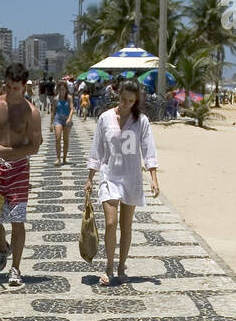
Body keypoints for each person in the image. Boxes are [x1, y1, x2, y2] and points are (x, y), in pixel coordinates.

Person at [86, 78, 159, 286]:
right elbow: (97, 148)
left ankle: (121, 265)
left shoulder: (141, 121)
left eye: (131, 101)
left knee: (126, 226)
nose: (126, 104)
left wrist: (154, 178)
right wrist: (90, 177)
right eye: (123, 99)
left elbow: (148, 149)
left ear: (136, 101)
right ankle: (109, 265)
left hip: (132, 176)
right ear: (118, 95)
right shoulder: (105, 118)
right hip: (110, 175)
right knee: (110, 223)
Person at [0, 62, 43, 289]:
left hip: (18, 170)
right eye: (8, 87)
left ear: (24, 86)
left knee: (17, 219)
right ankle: (3, 247)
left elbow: (35, 147)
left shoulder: (31, 112)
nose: (11, 91)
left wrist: (9, 152)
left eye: (16, 88)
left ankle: (15, 268)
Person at [53, 80, 73, 164]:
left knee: (66, 139)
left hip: (67, 120)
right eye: (60, 89)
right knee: (57, 138)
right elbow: (53, 111)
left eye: (63, 89)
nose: (62, 91)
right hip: (58, 119)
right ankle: (58, 158)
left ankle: (64, 158)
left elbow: (72, 108)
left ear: (66, 90)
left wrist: (69, 118)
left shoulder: (69, 98)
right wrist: (51, 123)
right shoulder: (56, 99)